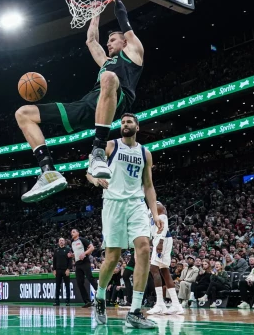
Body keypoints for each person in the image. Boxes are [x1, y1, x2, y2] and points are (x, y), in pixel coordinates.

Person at [17, 0, 144, 203]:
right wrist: (95, 12)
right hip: (88, 105)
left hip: (118, 100)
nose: (109, 43)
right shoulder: (105, 62)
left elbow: (124, 21)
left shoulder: (134, 54)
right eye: (109, 41)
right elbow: (91, 40)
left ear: (125, 41)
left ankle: (98, 150)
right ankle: (48, 171)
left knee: (109, 78)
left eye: (113, 40)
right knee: (23, 113)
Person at [87, 113, 162, 329]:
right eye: (122, 122)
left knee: (144, 248)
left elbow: (148, 185)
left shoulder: (145, 153)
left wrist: (155, 213)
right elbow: (89, 171)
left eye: (129, 122)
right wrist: (95, 180)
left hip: (137, 203)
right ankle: (100, 297)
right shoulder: (109, 146)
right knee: (113, 257)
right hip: (113, 204)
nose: (125, 125)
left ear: (137, 127)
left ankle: (135, 311)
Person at [147, 201, 184, 315]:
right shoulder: (148, 209)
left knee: (154, 268)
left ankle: (160, 304)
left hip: (162, 239)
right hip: (157, 239)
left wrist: (161, 241)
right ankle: (176, 305)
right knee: (164, 271)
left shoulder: (158, 206)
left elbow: (165, 224)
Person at [70, 229, 98, 307]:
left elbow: (92, 248)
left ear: (78, 233)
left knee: (90, 278)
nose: (72, 233)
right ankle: (87, 301)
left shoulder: (82, 240)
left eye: (73, 232)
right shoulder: (72, 243)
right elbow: (76, 253)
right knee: (79, 283)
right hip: (77, 263)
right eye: (71, 232)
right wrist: (72, 255)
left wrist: (84, 253)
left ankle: (100, 295)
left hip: (85, 262)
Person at [53, 237, 73, 306]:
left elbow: (70, 260)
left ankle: (67, 301)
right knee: (57, 286)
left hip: (65, 270)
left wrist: (68, 269)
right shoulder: (56, 250)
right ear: (58, 242)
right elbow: (54, 261)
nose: (61, 241)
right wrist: (54, 269)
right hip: (58, 270)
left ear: (64, 242)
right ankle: (57, 301)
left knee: (67, 286)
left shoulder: (68, 249)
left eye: (62, 240)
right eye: (60, 240)